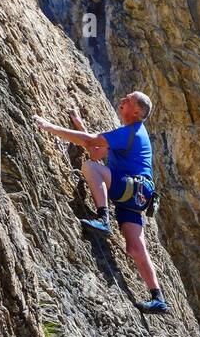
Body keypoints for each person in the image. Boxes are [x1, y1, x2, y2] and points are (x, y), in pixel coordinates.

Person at [33, 91, 168, 314]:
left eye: (128, 100)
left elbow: (91, 151)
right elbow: (96, 150)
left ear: (135, 111)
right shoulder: (129, 133)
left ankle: (102, 217)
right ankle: (158, 297)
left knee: (89, 168)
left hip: (131, 189)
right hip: (136, 195)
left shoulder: (129, 132)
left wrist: (49, 127)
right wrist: (79, 124)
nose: (122, 100)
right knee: (135, 247)